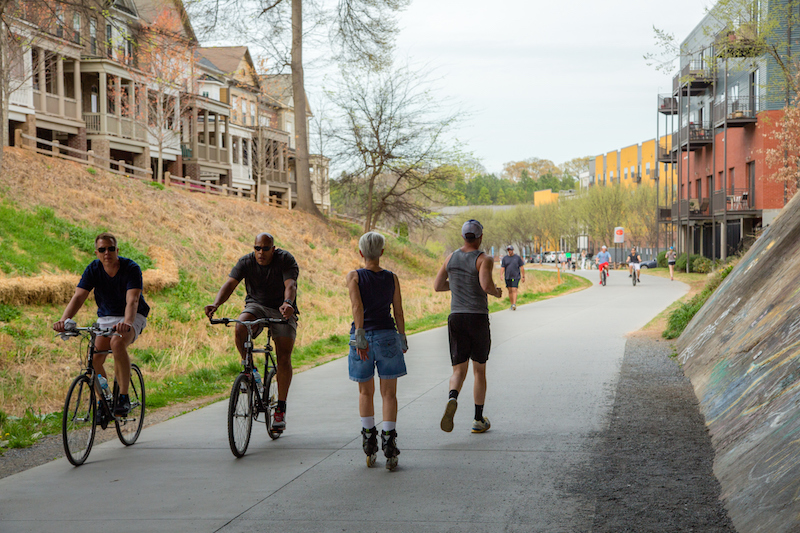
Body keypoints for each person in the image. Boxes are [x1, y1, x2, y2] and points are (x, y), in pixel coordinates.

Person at [205, 233, 298, 433]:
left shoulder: (285, 260)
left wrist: (288, 303)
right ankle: (251, 370)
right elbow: (230, 283)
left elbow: (290, 285)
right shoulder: (246, 262)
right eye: (257, 248)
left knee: (283, 357)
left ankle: (280, 408)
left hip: (282, 308)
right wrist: (216, 304)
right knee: (240, 326)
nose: (260, 252)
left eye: (265, 248)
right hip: (256, 306)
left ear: (273, 248)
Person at [53, 232, 149, 417]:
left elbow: (133, 300)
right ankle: (103, 400)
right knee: (94, 358)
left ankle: (123, 397)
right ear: (96, 252)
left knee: (117, 342)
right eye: (102, 249)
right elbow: (79, 297)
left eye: (111, 248)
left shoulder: (131, 268)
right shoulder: (93, 269)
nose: (107, 253)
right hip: (106, 316)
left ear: (117, 250)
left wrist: (127, 322)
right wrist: (64, 320)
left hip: (132, 315)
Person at [433, 219, 502, 434]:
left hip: (456, 318)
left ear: (463, 237)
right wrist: (496, 292)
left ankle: (452, 397)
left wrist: (456, 286)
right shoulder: (484, 259)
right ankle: (478, 419)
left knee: (458, 369)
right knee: (479, 370)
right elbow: (485, 285)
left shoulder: (450, 258)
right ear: (480, 237)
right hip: (477, 318)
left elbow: (437, 286)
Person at [346, 232, 407, 470]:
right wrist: (402, 336)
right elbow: (399, 311)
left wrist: (360, 335)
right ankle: (390, 446)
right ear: (381, 252)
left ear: (361, 252)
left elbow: (356, 306)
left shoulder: (354, 277)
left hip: (362, 339)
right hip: (387, 336)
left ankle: (369, 443)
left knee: (365, 392)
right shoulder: (392, 278)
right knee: (389, 393)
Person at [500, 245, 525, 311]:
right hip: (508, 276)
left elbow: (521, 267)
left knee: (514, 289)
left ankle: (514, 304)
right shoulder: (505, 258)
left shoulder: (517, 258)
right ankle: (511, 304)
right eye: (508, 250)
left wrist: (523, 276)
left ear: (513, 250)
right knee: (510, 290)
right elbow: (503, 267)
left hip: (515, 276)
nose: (509, 251)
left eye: (510, 250)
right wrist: (501, 275)